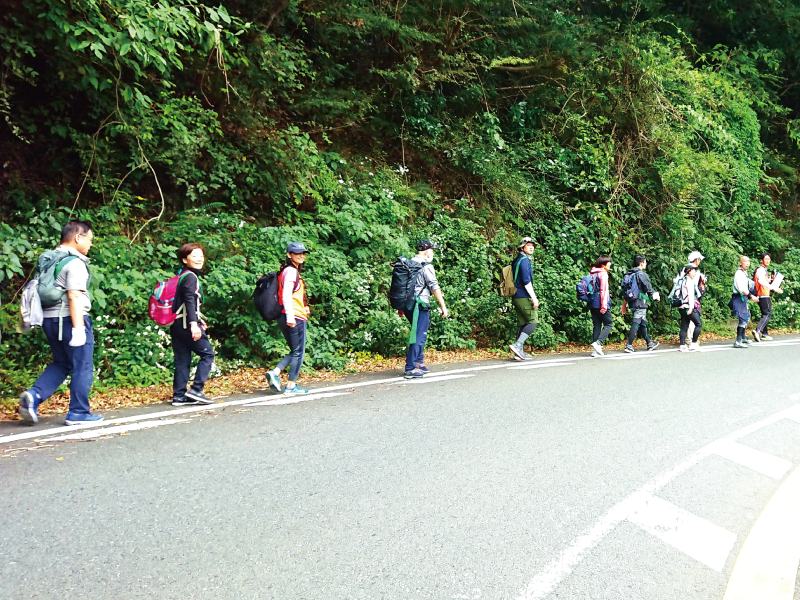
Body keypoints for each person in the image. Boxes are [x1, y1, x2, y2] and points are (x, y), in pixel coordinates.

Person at [18, 220, 103, 425]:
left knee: (62, 362)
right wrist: (79, 328)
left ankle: (34, 396)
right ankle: (79, 412)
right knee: (82, 365)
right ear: (78, 238)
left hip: (49, 319)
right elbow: (74, 296)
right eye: (89, 240)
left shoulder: (49, 259)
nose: (91, 244)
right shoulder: (75, 263)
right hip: (70, 318)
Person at [170, 244, 216, 406]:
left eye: (201, 255)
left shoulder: (181, 276)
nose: (199, 259)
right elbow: (190, 300)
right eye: (194, 256)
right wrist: (193, 324)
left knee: (182, 360)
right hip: (186, 325)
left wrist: (197, 319)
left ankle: (179, 396)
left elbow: (184, 303)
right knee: (208, 355)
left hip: (176, 324)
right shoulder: (190, 277)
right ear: (185, 259)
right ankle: (196, 389)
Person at [266, 242, 312, 394]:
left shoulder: (285, 271)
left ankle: (276, 372)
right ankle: (291, 386)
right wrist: (291, 316)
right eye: (297, 252)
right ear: (288, 254)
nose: (301, 255)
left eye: (303, 253)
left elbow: (292, 294)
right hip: (294, 316)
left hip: (286, 314)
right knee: (299, 352)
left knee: (295, 350)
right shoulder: (291, 271)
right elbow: (286, 294)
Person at [402, 239, 449, 379]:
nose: (432, 254)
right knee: (419, 335)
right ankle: (410, 367)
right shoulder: (426, 266)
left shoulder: (407, 263)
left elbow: (402, 286)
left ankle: (419, 361)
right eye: (432, 251)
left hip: (407, 305)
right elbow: (434, 286)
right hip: (420, 305)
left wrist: (400, 307)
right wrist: (443, 305)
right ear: (427, 251)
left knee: (417, 331)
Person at [620, 254, 661, 353]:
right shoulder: (641, 274)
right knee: (636, 322)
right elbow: (648, 288)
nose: (646, 264)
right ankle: (629, 345)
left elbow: (625, 291)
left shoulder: (629, 274)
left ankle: (649, 343)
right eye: (645, 262)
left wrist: (624, 304)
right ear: (642, 263)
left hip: (632, 302)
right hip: (640, 302)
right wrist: (656, 296)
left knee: (642, 323)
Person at [508, 237, 539, 361]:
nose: (531, 247)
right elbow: (526, 281)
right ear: (522, 247)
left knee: (524, 323)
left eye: (532, 245)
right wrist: (534, 297)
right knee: (533, 321)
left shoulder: (517, 260)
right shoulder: (525, 260)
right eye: (528, 245)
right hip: (523, 296)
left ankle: (518, 352)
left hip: (516, 296)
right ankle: (518, 345)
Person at [753, 252, 783, 342]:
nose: (767, 261)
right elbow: (761, 281)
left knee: (764, 314)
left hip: (763, 293)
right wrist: (773, 288)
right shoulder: (760, 270)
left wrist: (770, 280)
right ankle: (758, 331)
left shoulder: (763, 270)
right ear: (761, 260)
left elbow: (764, 281)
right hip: (763, 294)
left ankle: (764, 334)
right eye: (765, 259)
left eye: (768, 259)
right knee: (767, 314)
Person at [731, 256, 759, 348]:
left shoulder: (744, 273)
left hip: (743, 298)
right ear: (740, 263)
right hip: (739, 298)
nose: (747, 263)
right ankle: (738, 341)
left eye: (748, 261)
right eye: (745, 261)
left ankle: (743, 337)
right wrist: (751, 296)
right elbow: (741, 288)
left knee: (745, 317)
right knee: (743, 318)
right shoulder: (739, 273)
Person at [589, 256, 612, 357]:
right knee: (609, 323)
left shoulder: (593, 272)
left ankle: (595, 351)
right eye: (608, 262)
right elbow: (603, 291)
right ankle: (598, 343)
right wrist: (604, 305)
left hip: (592, 302)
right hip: (600, 302)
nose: (610, 264)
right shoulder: (603, 274)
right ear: (603, 265)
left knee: (597, 325)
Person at [681, 251, 707, 342]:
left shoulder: (684, 269)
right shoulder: (693, 270)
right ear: (696, 260)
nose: (700, 261)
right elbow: (694, 286)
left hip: (682, 299)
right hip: (691, 298)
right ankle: (691, 339)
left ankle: (685, 341)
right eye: (699, 259)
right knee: (694, 320)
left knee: (685, 322)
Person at [677, 264, 702, 352]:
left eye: (695, 271)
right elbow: (691, 295)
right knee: (698, 324)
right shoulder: (689, 282)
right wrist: (691, 308)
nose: (694, 273)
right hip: (688, 306)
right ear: (688, 272)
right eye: (693, 271)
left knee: (684, 326)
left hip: (681, 306)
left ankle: (682, 345)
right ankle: (693, 343)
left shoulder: (682, 280)